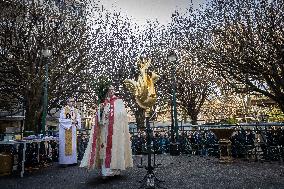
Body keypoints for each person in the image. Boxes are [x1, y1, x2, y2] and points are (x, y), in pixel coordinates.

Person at [80, 85, 133, 177]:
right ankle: (106, 171)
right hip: (105, 130)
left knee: (115, 150)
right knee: (104, 150)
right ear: (107, 91)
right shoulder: (103, 103)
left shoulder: (119, 102)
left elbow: (122, 115)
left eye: (113, 89)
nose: (111, 91)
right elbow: (98, 117)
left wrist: (114, 116)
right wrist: (101, 114)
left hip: (116, 131)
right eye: (109, 90)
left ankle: (116, 170)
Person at [58, 98, 81, 166]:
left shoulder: (76, 110)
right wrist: (71, 121)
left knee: (73, 145)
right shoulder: (64, 110)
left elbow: (78, 119)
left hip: (73, 130)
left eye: (73, 101)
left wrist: (76, 121)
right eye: (71, 101)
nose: (73, 102)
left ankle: (73, 161)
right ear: (67, 102)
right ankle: (64, 162)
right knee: (64, 145)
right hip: (65, 130)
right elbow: (61, 120)